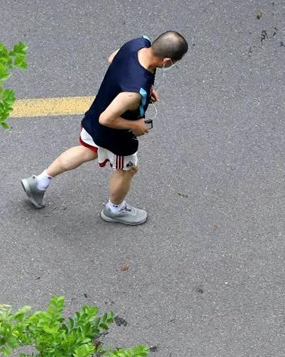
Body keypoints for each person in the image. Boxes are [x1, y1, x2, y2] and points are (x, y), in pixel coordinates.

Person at [21, 31, 188, 225]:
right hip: (115, 136)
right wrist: (135, 124)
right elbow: (107, 118)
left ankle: (39, 182)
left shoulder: (138, 43)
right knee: (128, 169)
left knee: (88, 150)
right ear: (166, 61)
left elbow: (113, 58)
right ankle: (114, 209)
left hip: (95, 115)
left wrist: (146, 89)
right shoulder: (134, 92)